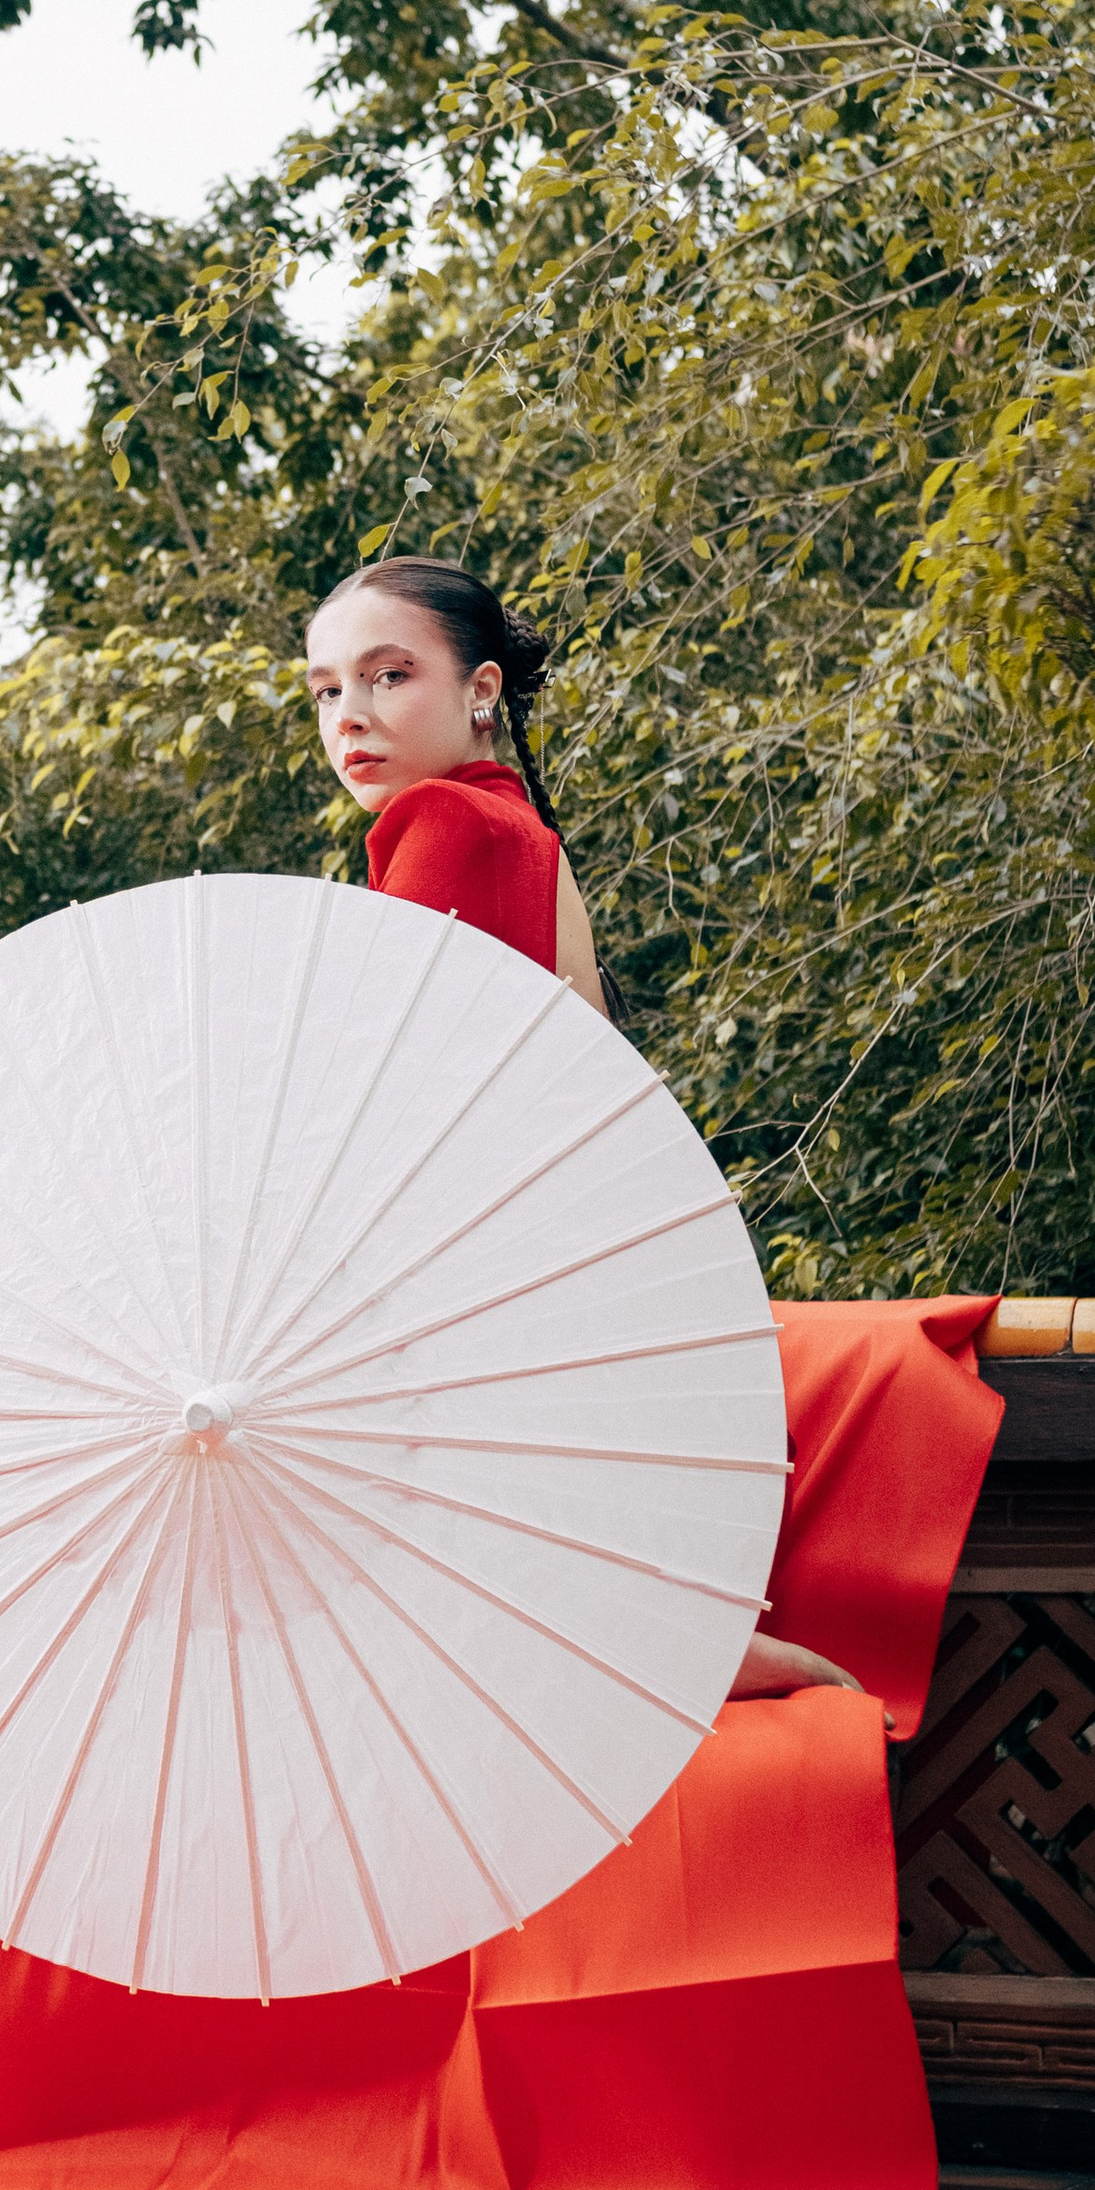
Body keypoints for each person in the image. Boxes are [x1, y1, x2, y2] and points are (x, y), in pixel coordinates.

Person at [306, 551, 862, 1713]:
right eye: (323, 691)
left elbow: (373, 1091)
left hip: (470, 1259)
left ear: (481, 689)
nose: (349, 715)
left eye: (387, 674)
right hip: (558, 1256)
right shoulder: (517, 832)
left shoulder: (443, 824)